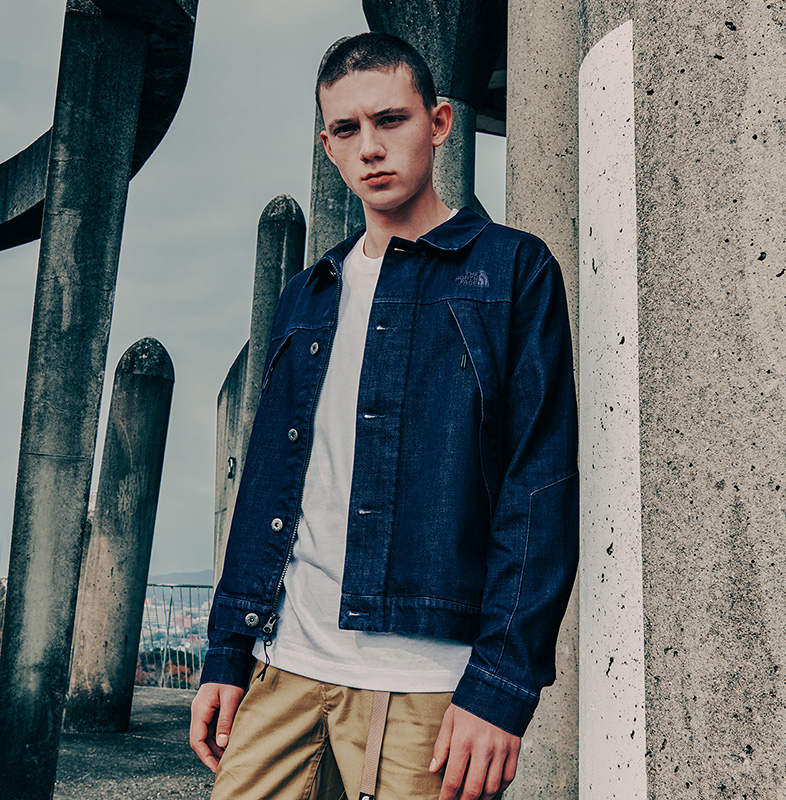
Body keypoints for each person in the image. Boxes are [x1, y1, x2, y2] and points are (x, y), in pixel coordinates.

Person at [190, 31, 578, 800]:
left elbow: (539, 485)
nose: (369, 146)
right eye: (346, 128)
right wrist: (226, 653)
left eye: (390, 119)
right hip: (280, 668)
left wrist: (501, 687)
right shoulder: (308, 293)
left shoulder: (512, 270)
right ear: (328, 146)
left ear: (438, 123)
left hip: (427, 685)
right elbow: (267, 484)